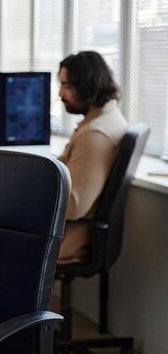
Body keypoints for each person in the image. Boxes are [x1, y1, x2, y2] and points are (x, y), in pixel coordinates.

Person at [57, 51, 128, 264]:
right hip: (68, 233)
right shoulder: (107, 117)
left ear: (88, 86)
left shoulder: (95, 136)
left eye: (67, 86)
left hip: (67, 242)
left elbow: (74, 206)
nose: (60, 93)